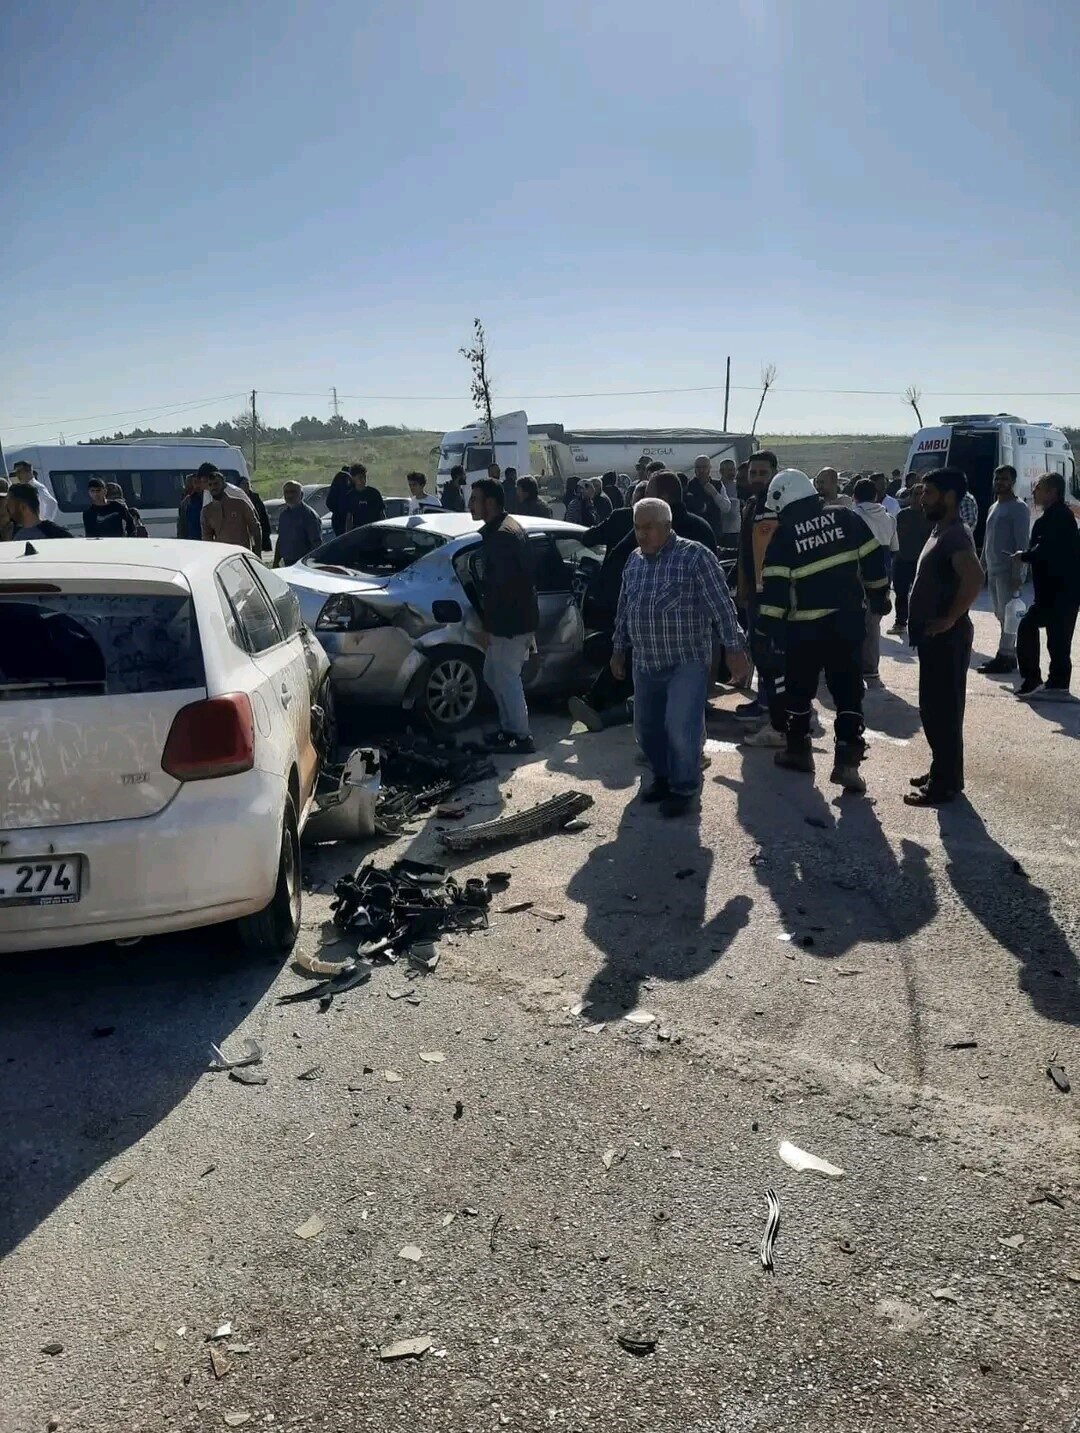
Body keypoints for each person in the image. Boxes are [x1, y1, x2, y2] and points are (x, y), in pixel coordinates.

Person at [752, 470, 890, 790]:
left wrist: (764, 632)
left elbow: (775, 591)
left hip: (804, 630)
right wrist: (879, 595)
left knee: (798, 691)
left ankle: (798, 751)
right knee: (848, 690)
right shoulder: (846, 517)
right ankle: (847, 763)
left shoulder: (784, 536)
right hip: (848, 623)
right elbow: (873, 558)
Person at [611, 498, 749, 817]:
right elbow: (625, 609)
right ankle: (662, 777)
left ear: (667, 526)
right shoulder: (633, 561)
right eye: (637, 528)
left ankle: (684, 787)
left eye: (648, 528)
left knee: (680, 727)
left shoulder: (695, 556)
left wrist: (734, 648)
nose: (641, 534)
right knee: (646, 729)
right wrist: (618, 649)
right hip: (645, 662)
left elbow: (722, 607)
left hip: (686, 662)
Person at [905, 468, 985, 806]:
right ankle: (944, 771)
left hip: (947, 639)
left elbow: (974, 577)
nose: (922, 499)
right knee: (935, 710)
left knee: (943, 712)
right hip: (935, 638)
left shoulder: (954, 535)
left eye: (928, 493)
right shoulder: (941, 529)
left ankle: (944, 785)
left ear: (949, 497)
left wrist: (950, 618)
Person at [469, 478, 539, 755]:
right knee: (493, 674)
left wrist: (489, 626)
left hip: (511, 623)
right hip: (513, 620)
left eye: (475, 499)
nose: (470, 505)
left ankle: (521, 735)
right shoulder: (502, 530)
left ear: (490, 502)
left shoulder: (502, 536)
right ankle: (509, 729)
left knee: (506, 678)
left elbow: (504, 588)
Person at [1014, 472, 1080, 698]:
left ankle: (1035, 679)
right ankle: (1057, 682)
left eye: (1039, 488)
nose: (1033, 492)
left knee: (1033, 629)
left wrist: (1024, 556)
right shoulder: (1054, 516)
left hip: (1061, 591)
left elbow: (1048, 549)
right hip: (1054, 591)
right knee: (1057, 639)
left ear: (1052, 492)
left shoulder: (1059, 517)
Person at [735, 449, 784, 729]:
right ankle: (765, 701)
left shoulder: (780, 506)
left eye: (763, 473)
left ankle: (777, 708)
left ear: (775, 473)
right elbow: (747, 550)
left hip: (774, 592)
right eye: (753, 473)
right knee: (759, 648)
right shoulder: (752, 504)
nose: (757, 478)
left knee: (773, 651)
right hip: (755, 591)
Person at [978, 466, 1031, 675]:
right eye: (997, 478)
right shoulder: (994, 507)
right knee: (1001, 614)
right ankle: (1009, 655)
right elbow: (988, 539)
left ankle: (1004, 656)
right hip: (993, 570)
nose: (1000, 482)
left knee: (1010, 616)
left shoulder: (1018, 508)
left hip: (1009, 572)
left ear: (1013, 482)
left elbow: (1022, 544)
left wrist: (1018, 574)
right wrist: (981, 567)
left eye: (1005, 479)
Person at [851, 477, 898, 684]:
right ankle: (871, 667)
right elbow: (894, 549)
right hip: (884, 574)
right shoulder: (889, 518)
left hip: (858, 573)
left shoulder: (853, 516)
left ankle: (855, 665)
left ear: (854, 497)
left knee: (854, 620)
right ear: (876, 496)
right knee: (874, 621)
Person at [890, 484, 932, 636]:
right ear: (910, 496)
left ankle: (921, 624)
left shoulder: (930, 517)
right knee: (901, 593)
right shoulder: (902, 515)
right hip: (902, 560)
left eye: (922, 493)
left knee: (921, 595)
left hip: (921, 562)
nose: (919, 497)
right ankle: (900, 623)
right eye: (916, 494)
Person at [201, 469, 262, 551]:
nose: (213, 487)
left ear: (223, 484)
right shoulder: (207, 511)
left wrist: (257, 552)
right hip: (223, 554)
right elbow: (207, 538)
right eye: (210, 485)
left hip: (241, 553)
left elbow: (255, 528)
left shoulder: (240, 504)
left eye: (216, 484)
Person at [685, 454, 734, 545]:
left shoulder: (718, 485)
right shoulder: (688, 486)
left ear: (710, 468)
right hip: (694, 534)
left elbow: (726, 508)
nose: (701, 470)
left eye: (704, 467)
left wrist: (714, 493)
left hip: (714, 533)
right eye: (698, 467)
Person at [274, 481, 323, 567]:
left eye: (293, 492)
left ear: (301, 495)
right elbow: (280, 540)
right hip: (288, 563)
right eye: (286, 492)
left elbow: (316, 544)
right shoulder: (284, 515)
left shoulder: (309, 515)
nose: (289, 495)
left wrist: (306, 564)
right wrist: (276, 561)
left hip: (303, 564)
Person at [5, 482, 74, 539]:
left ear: (23, 507)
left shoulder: (56, 535)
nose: (6, 508)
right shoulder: (11, 533)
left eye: (9, 504)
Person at [343, 463, 385, 530]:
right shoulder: (350, 496)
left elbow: (382, 514)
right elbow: (349, 518)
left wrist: (384, 531)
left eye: (364, 476)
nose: (363, 479)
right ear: (353, 478)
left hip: (374, 529)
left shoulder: (374, 493)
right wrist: (348, 534)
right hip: (359, 531)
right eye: (360, 477)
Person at [237, 475, 272, 553]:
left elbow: (263, 514)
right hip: (243, 531)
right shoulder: (236, 498)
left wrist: (266, 532)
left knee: (256, 551)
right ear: (239, 486)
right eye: (243, 484)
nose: (246, 486)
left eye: (247, 483)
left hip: (255, 528)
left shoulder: (255, 498)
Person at [326, 465, 354, 536]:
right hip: (347, 517)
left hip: (337, 518)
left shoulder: (337, 479)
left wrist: (336, 511)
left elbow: (329, 502)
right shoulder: (349, 480)